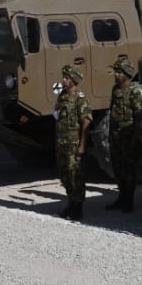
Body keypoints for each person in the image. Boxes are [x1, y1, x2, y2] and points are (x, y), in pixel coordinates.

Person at [105, 57, 142, 213]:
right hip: (115, 136)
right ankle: (121, 197)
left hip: (128, 136)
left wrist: (135, 138)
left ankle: (129, 201)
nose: (116, 74)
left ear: (127, 74)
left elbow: (139, 116)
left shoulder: (133, 91)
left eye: (119, 72)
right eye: (115, 71)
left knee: (129, 170)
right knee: (117, 168)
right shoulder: (115, 89)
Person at [53, 64, 90, 221]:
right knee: (65, 174)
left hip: (74, 143)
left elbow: (86, 121)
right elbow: (57, 115)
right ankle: (70, 203)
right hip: (61, 142)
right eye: (63, 77)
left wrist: (82, 145)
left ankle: (78, 208)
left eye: (67, 78)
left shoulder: (80, 98)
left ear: (73, 80)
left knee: (76, 175)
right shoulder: (62, 95)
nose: (64, 80)